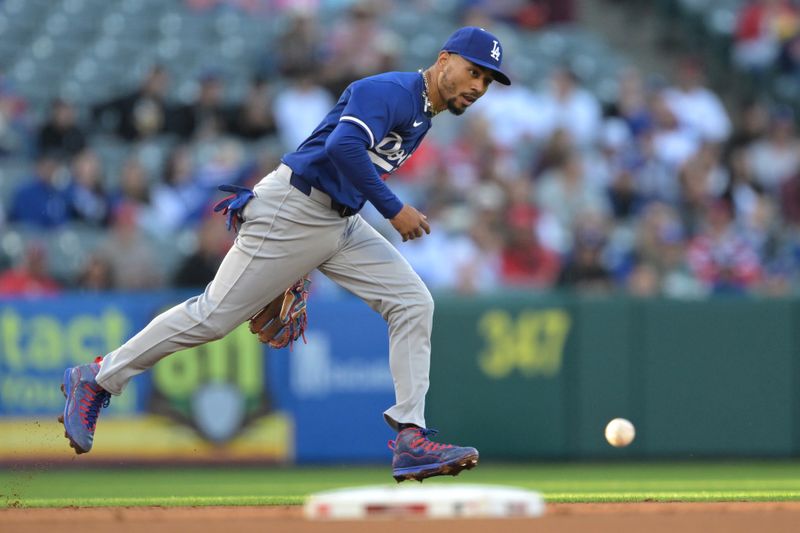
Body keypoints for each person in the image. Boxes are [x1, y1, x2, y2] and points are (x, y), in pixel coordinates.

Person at [58, 27, 511, 482]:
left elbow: (349, 164)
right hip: (294, 207)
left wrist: (305, 261)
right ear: (444, 59)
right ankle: (97, 378)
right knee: (211, 316)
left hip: (339, 221)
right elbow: (342, 146)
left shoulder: (423, 113)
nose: (478, 87)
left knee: (413, 301)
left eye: (487, 81)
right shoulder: (391, 90)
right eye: (474, 72)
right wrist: (393, 209)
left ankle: (411, 438)